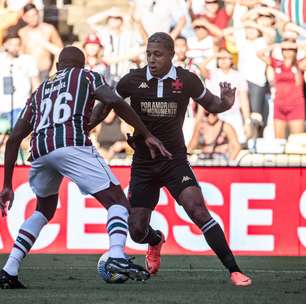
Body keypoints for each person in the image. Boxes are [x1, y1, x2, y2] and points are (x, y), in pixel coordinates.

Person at [0, 46, 172, 289]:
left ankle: (9, 269)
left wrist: (7, 184)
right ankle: (116, 256)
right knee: (118, 203)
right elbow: (113, 100)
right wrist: (146, 133)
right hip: (72, 144)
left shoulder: (40, 90)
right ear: (82, 65)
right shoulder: (88, 76)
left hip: (40, 150)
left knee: (43, 210)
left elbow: (15, 137)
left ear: (58, 66)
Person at [92, 32, 252, 286]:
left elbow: (212, 104)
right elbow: (106, 107)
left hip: (174, 160)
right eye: (148, 54)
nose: (152, 59)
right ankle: (155, 240)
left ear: (171, 55)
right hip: (144, 163)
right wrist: (87, 124)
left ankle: (234, 270)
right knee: (136, 229)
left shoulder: (186, 79)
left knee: (197, 209)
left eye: (157, 54)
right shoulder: (132, 80)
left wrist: (226, 103)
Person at [257, 41, 306, 138]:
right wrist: (276, 45)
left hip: (296, 106)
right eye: (285, 49)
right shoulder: (277, 64)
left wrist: (296, 45)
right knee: (279, 141)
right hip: (279, 106)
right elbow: (259, 54)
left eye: (291, 50)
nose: (287, 52)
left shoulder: (300, 65)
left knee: (297, 140)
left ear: (295, 52)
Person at [18, 3, 63, 81]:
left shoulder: (49, 29)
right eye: (29, 16)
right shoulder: (22, 32)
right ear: (24, 17)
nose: (33, 18)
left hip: (46, 72)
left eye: (34, 15)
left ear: (38, 14)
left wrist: (54, 71)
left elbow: (60, 50)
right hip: (28, 73)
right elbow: (20, 53)